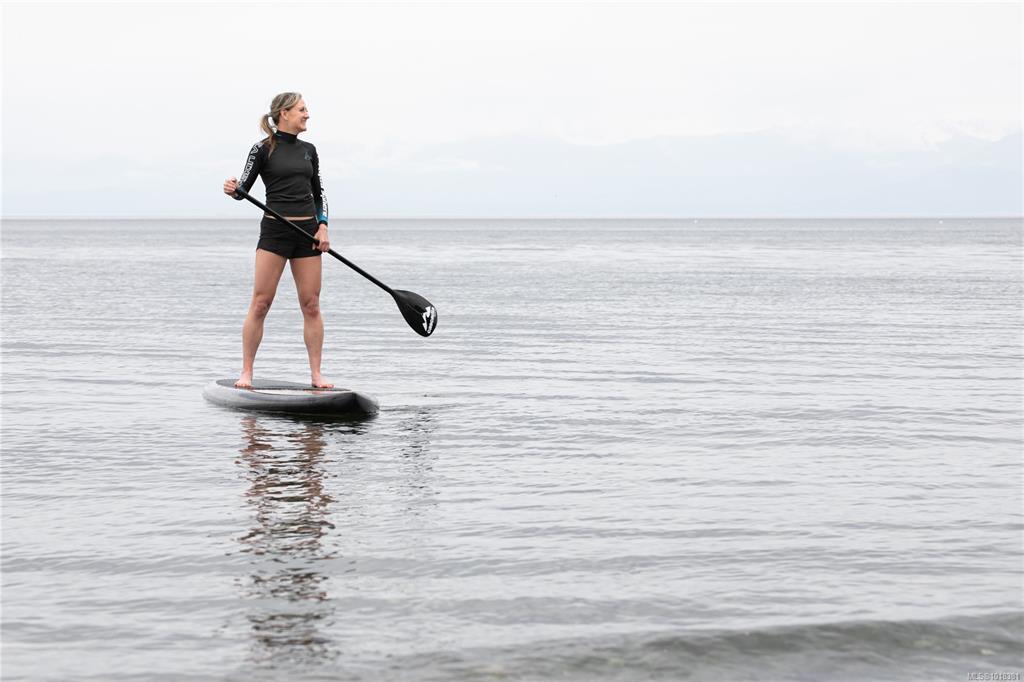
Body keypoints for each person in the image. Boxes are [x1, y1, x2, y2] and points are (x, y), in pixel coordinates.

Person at [222, 92, 333, 389]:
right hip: (275, 232)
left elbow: (320, 194)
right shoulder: (262, 149)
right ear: (284, 113)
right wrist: (233, 188)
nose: (307, 114)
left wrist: (323, 227)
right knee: (261, 303)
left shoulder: (309, 150)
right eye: (302, 109)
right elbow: (243, 190)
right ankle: (246, 372)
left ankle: (316, 375)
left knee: (311, 305)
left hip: (307, 234)